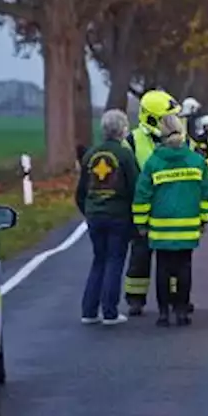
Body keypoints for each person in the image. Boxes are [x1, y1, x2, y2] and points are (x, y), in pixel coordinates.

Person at [133, 114, 208, 327]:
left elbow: (142, 196)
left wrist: (141, 223)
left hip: (160, 229)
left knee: (163, 269)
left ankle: (163, 313)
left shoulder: (154, 162)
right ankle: (182, 311)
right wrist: (204, 220)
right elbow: (206, 195)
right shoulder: (196, 161)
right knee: (184, 268)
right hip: (188, 228)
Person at [74, 110, 140, 326]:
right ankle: (110, 312)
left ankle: (89, 311)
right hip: (118, 215)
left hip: (95, 215)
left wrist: (90, 211)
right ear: (122, 129)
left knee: (98, 260)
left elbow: (81, 191)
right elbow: (135, 187)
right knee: (114, 261)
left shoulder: (90, 155)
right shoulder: (124, 155)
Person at [123, 89, 182, 316]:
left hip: (172, 208)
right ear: (150, 118)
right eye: (166, 118)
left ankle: (176, 299)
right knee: (140, 256)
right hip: (145, 210)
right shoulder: (133, 142)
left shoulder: (180, 138)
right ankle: (135, 299)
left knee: (175, 258)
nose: (172, 122)